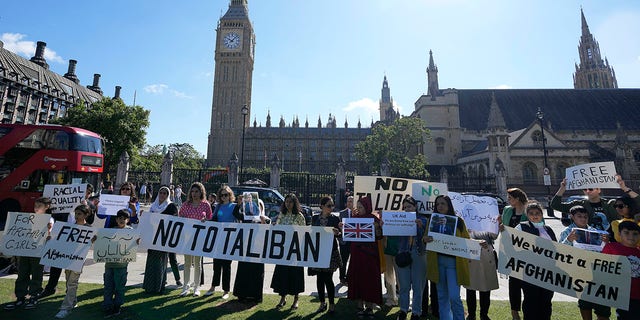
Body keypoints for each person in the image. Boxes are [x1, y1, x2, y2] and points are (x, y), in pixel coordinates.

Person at [41, 183, 95, 299]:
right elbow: (53, 215)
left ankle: (70, 291)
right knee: (56, 263)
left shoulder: (89, 205)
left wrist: (86, 207)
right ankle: (50, 288)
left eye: (88, 192)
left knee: (72, 267)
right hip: (62, 236)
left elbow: (91, 220)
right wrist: (50, 222)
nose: (86, 194)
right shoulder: (62, 203)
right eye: (85, 191)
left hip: (76, 240)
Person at [559, 205, 610, 320]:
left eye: (585, 217)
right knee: (585, 301)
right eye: (579, 216)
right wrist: (568, 240)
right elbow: (560, 252)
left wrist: (606, 243)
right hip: (580, 271)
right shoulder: (567, 232)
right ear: (572, 217)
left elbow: (604, 251)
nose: (583, 219)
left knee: (602, 301)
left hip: (597, 270)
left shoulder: (594, 231)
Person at [424, 195, 470, 320]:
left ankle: (459, 318)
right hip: (437, 262)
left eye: (443, 203)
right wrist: (426, 239)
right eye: (438, 204)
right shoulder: (432, 220)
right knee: (442, 296)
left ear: (449, 205)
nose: (440, 206)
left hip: (454, 264)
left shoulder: (458, 221)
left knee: (454, 296)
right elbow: (425, 238)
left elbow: (466, 240)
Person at [3, 197, 53, 311]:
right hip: (25, 250)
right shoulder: (28, 218)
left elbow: (50, 238)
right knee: (22, 273)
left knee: (36, 274)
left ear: (47, 207)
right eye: (35, 206)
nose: (36, 208)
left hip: (38, 251)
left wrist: (49, 231)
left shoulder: (49, 220)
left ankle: (34, 296)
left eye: (39, 206)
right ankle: (20, 297)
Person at [515, 202, 556, 320]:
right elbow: (514, 243)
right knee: (531, 301)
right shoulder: (521, 227)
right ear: (527, 215)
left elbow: (557, 248)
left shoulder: (548, 229)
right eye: (531, 213)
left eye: (537, 213)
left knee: (546, 301)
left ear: (542, 214)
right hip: (530, 271)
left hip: (548, 271)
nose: (535, 216)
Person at [347, 196, 383, 319]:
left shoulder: (373, 219)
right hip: (357, 254)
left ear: (367, 207)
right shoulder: (354, 218)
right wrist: (343, 226)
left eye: (361, 206)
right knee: (358, 278)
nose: (359, 209)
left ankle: (369, 307)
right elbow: (349, 235)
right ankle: (360, 306)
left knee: (370, 280)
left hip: (370, 256)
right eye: (358, 206)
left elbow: (379, 237)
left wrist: (377, 227)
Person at [98, 209, 138, 317]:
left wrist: (137, 241)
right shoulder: (110, 231)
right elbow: (102, 243)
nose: (121, 220)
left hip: (121, 265)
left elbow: (136, 244)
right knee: (108, 286)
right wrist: (96, 240)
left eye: (124, 218)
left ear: (128, 220)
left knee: (120, 286)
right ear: (116, 220)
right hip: (109, 264)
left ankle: (117, 305)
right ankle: (107, 305)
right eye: (119, 218)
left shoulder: (131, 231)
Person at [552, 175, 637, 226]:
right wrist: (562, 188)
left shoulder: (611, 204)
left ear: (599, 190)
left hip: (611, 241)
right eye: (585, 189)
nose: (588, 191)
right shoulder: (578, 204)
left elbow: (637, 203)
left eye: (591, 189)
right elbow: (555, 205)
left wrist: (624, 188)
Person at [54, 204, 92, 318]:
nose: (76, 216)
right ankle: (73, 300)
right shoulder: (69, 227)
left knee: (72, 282)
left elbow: (94, 242)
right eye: (76, 213)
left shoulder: (89, 228)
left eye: (79, 214)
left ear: (86, 215)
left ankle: (66, 308)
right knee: (68, 279)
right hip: (67, 257)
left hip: (78, 259)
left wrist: (94, 239)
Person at [271, 193, 306, 310]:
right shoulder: (282, 214)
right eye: (286, 202)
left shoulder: (300, 216)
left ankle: (296, 299)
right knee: (283, 274)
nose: (288, 204)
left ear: (294, 203)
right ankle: (282, 297)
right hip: (283, 251)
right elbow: (277, 229)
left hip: (295, 251)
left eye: (290, 202)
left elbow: (304, 234)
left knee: (295, 275)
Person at [232, 189, 269, 303]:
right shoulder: (246, 217)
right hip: (246, 247)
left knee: (257, 272)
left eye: (259, 206)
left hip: (258, 250)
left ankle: (256, 295)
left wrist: (263, 222)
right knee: (243, 271)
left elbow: (268, 230)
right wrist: (239, 204)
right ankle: (242, 294)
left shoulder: (265, 219)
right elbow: (235, 213)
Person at [395, 196, 428, 320]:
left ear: (415, 207)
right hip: (403, 253)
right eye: (405, 207)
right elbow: (392, 232)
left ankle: (416, 312)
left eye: (409, 206)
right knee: (404, 285)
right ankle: (403, 310)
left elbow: (426, 236)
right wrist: (385, 223)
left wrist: (420, 227)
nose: (407, 209)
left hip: (419, 254)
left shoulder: (423, 220)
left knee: (418, 286)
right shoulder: (400, 219)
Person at [178, 182, 213, 297]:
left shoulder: (206, 205)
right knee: (187, 263)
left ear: (201, 192)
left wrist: (205, 220)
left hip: (200, 238)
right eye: (192, 191)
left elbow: (210, 220)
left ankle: (196, 287)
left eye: (197, 191)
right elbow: (179, 218)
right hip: (187, 238)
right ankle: (185, 287)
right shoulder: (185, 205)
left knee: (197, 263)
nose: (194, 194)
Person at [309, 196, 342, 314]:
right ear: (322, 206)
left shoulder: (335, 219)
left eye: (332, 205)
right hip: (318, 251)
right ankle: (322, 303)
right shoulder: (315, 218)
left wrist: (338, 233)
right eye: (329, 205)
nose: (331, 208)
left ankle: (332, 304)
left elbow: (340, 235)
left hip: (330, 252)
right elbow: (312, 233)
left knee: (328, 279)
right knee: (319, 279)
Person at [602, 221, 640, 320]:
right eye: (626, 232)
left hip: (637, 295)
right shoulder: (611, 247)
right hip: (620, 295)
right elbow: (602, 268)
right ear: (619, 234)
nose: (631, 236)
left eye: (635, 233)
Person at [500, 187, 529, 320]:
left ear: (517, 199)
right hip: (510, 251)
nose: (508, 200)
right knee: (514, 283)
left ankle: (528, 309)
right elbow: (503, 226)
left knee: (528, 283)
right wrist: (500, 225)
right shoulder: (507, 210)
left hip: (526, 252)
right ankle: (514, 312)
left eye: (510, 198)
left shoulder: (529, 211)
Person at [143, 186, 177, 294]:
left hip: (163, 237)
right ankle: (149, 286)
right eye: (161, 193)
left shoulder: (171, 206)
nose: (162, 195)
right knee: (151, 261)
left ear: (168, 195)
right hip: (152, 237)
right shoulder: (153, 206)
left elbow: (175, 221)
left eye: (165, 193)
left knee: (160, 262)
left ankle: (159, 286)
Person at [205, 186, 236, 299]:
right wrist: (206, 220)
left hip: (229, 239)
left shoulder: (234, 206)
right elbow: (213, 219)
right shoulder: (218, 206)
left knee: (226, 265)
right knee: (216, 264)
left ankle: (226, 290)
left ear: (230, 195)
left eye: (226, 195)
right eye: (222, 195)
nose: (224, 197)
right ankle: (213, 287)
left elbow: (241, 218)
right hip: (218, 238)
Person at [464, 226, 499, 320]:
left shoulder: (488, 217)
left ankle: (484, 314)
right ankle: (471, 314)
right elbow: (462, 235)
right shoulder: (465, 216)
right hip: (470, 251)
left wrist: (496, 224)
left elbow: (494, 236)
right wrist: (475, 242)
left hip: (486, 252)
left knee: (486, 287)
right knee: (470, 287)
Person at [338, 195, 354, 285]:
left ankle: (349, 277)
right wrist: (340, 226)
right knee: (343, 260)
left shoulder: (357, 213)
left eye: (351, 201)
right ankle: (342, 277)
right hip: (344, 241)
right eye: (348, 201)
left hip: (353, 241)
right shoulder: (342, 213)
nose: (349, 203)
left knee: (352, 261)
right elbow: (338, 226)